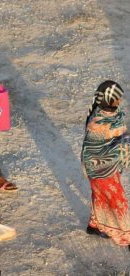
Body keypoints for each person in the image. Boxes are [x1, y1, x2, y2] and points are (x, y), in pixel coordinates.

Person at [81, 80, 130, 249]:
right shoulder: (97, 123)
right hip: (99, 169)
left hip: (110, 167)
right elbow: (93, 152)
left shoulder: (115, 115)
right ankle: (128, 237)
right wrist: (122, 144)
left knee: (100, 197)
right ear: (109, 99)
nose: (120, 101)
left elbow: (120, 136)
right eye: (117, 98)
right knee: (119, 201)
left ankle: (94, 225)